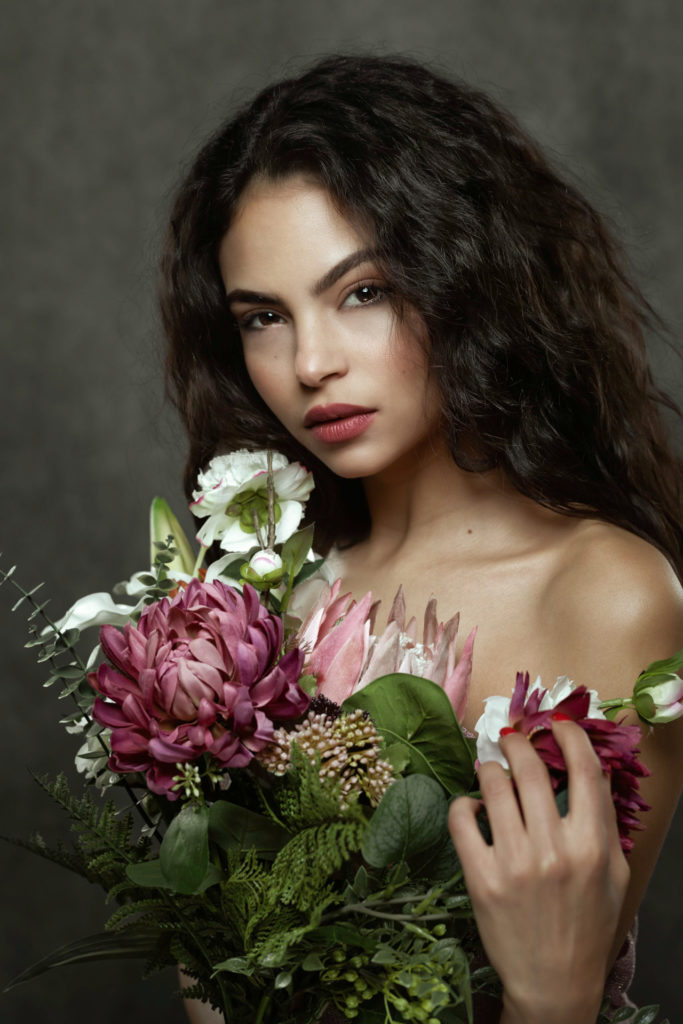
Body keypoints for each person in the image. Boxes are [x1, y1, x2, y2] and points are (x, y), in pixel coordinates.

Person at [160, 55, 683, 1024]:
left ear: (464, 276)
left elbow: (561, 987)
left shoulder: (603, 591)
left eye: (361, 292)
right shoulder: (253, 604)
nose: (310, 363)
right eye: (263, 318)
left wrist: (550, 989)